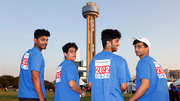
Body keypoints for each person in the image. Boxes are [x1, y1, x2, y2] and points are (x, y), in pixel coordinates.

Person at [88, 29, 131, 101]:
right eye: (116, 41)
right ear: (108, 43)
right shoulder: (120, 61)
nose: (118, 44)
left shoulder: (93, 61)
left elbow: (90, 84)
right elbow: (123, 86)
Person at [18, 29, 50, 101]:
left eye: (46, 40)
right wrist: (42, 99)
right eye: (42, 40)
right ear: (35, 40)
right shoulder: (37, 54)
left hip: (23, 95)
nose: (45, 42)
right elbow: (35, 77)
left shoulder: (28, 53)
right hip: (34, 95)